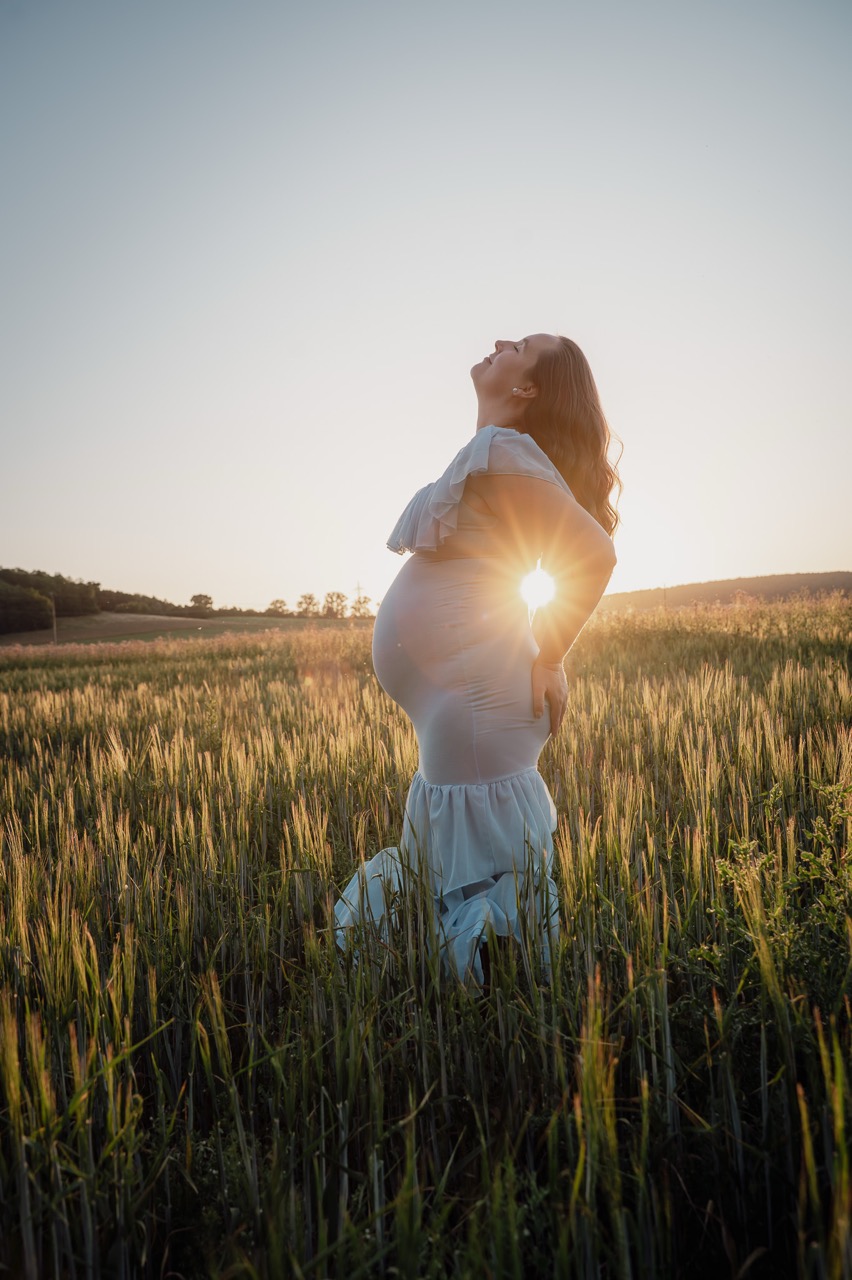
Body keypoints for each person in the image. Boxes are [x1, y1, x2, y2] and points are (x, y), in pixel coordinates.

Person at [335, 333, 620, 983]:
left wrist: (550, 656)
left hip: (477, 701)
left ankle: (496, 999)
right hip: (467, 704)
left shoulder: (503, 451)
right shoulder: (496, 454)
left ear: (526, 391)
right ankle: (495, 991)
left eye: (519, 344)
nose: (499, 341)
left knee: (477, 880)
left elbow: (595, 555)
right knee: (474, 867)